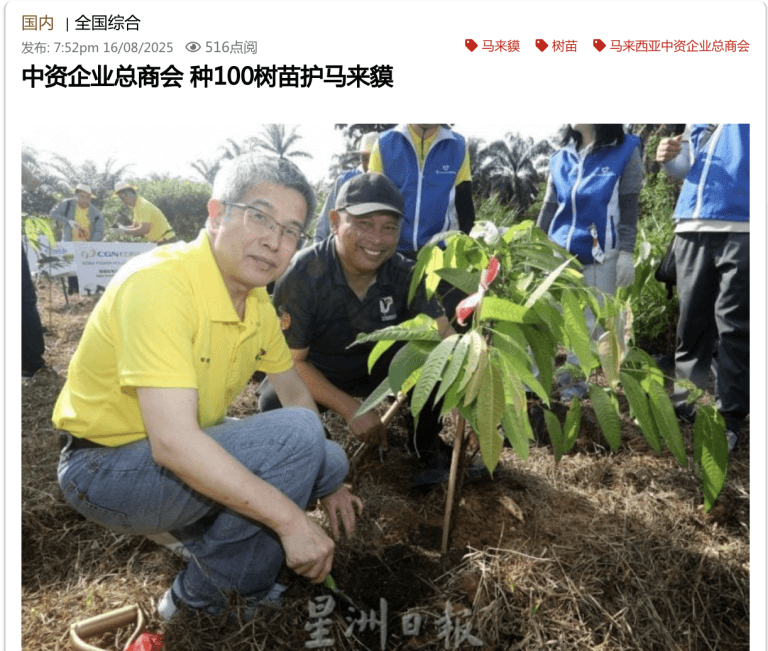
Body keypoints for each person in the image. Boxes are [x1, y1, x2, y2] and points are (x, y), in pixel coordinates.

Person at [53, 154, 362, 621]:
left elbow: (294, 390)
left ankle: (215, 537)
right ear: (215, 214)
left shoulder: (255, 301)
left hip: (169, 453)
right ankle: (201, 598)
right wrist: (290, 520)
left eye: (290, 231)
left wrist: (331, 482)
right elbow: (174, 443)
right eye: (259, 216)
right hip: (104, 467)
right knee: (298, 438)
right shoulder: (159, 284)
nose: (274, 241)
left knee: (329, 457)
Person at [259, 173, 457, 483]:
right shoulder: (303, 274)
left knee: (436, 359)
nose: (376, 239)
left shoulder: (407, 274)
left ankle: (425, 442)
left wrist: (470, 399)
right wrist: (350, 409)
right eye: (364, 224)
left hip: (385, 374)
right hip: (324, 371)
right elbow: (291, 363)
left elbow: (445, 336)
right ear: (335, 221)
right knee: (274, 401)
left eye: (388, 228)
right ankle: (318, 457)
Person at [655, 124, 749, 452]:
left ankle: (729, 419)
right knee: (691, 323)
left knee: (735, 328)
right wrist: (670, 159)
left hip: (745, 224)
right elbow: (688, 165)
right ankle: (685, 403)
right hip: (691, 224)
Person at [537, 124, 643, 399]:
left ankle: (571, 389)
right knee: (545, 320)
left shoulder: (626, 149)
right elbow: (549, 207)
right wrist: (534, 248)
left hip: (601, 255)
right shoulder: (561, 156)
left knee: (587, 328)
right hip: (558, 255)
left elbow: (629, 206)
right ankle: (533, 388)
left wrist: (626, 252)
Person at [369, 124, 475, 256]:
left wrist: (465, 252)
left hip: (441, 252)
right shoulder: (383, 143)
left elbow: (465, 207)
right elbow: (372, 202)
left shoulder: (458, 146)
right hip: (393, 252)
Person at [313, 131, 378, 243]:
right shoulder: (344, 181)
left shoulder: (389, 184)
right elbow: (323, 225)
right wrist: (317, 249)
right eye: (364, 158)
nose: (368, 164)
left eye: (373, 159)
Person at [50, 183, 105, 293]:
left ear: (90, 198)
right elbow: (53, 213)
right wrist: (68, 221)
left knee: (86, 270)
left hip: (86, 245)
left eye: (87, 197)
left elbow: (99, 231)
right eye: (81, 196)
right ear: (76, 195)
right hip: (70, 242)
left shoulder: (96, 213)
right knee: (71, 269)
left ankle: (85, 293)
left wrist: (91, 243)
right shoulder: (67, 204)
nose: (84, 199)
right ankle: (73, 292)